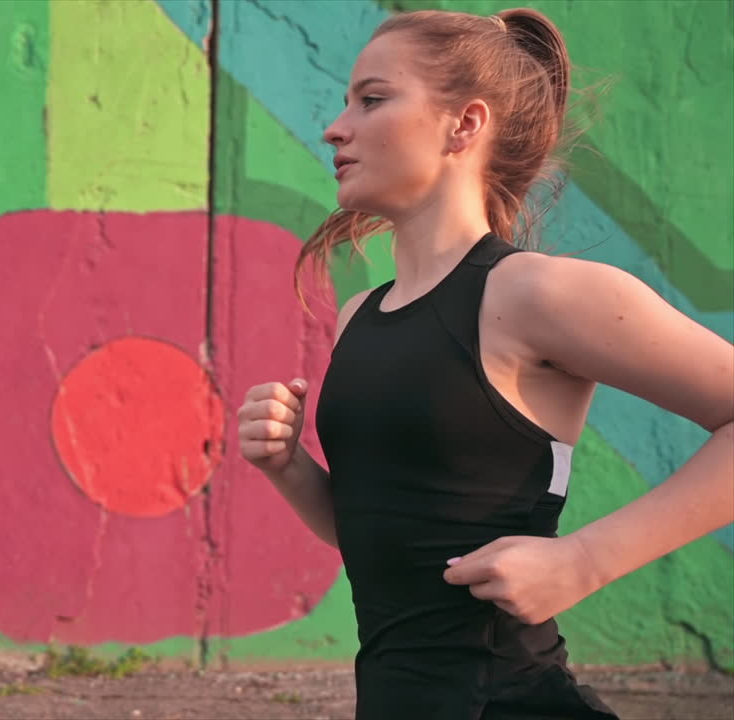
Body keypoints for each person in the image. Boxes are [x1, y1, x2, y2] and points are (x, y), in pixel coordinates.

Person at [236, 8, 734, 720]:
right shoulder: (360, 317)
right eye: (347, 102)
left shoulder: (537, 294)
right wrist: (289, 468)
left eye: (372, 99)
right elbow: (392, 541)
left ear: (464, 125)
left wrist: (584, 563)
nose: (336, 127)